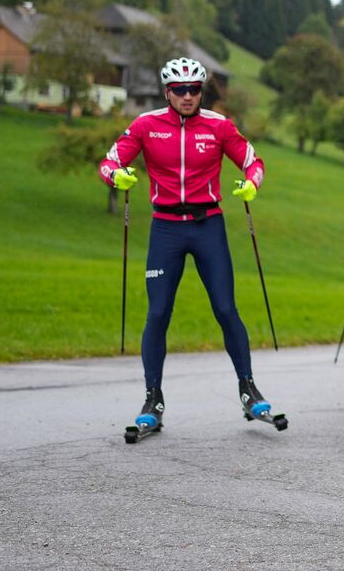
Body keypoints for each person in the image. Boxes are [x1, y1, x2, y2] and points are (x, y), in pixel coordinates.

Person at [99, 57, 276, 429]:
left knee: (226, 309)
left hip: (207, 225)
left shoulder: (219, 126)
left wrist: (251, 184)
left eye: (194, 89)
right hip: (165, 228)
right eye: (180, 89)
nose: (188, 96)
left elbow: (253, 162)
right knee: (159, 313)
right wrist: (117, 177)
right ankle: (152, 398)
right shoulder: (146, 125)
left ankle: (249, 389)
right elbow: (108, 163)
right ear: (167, 92)